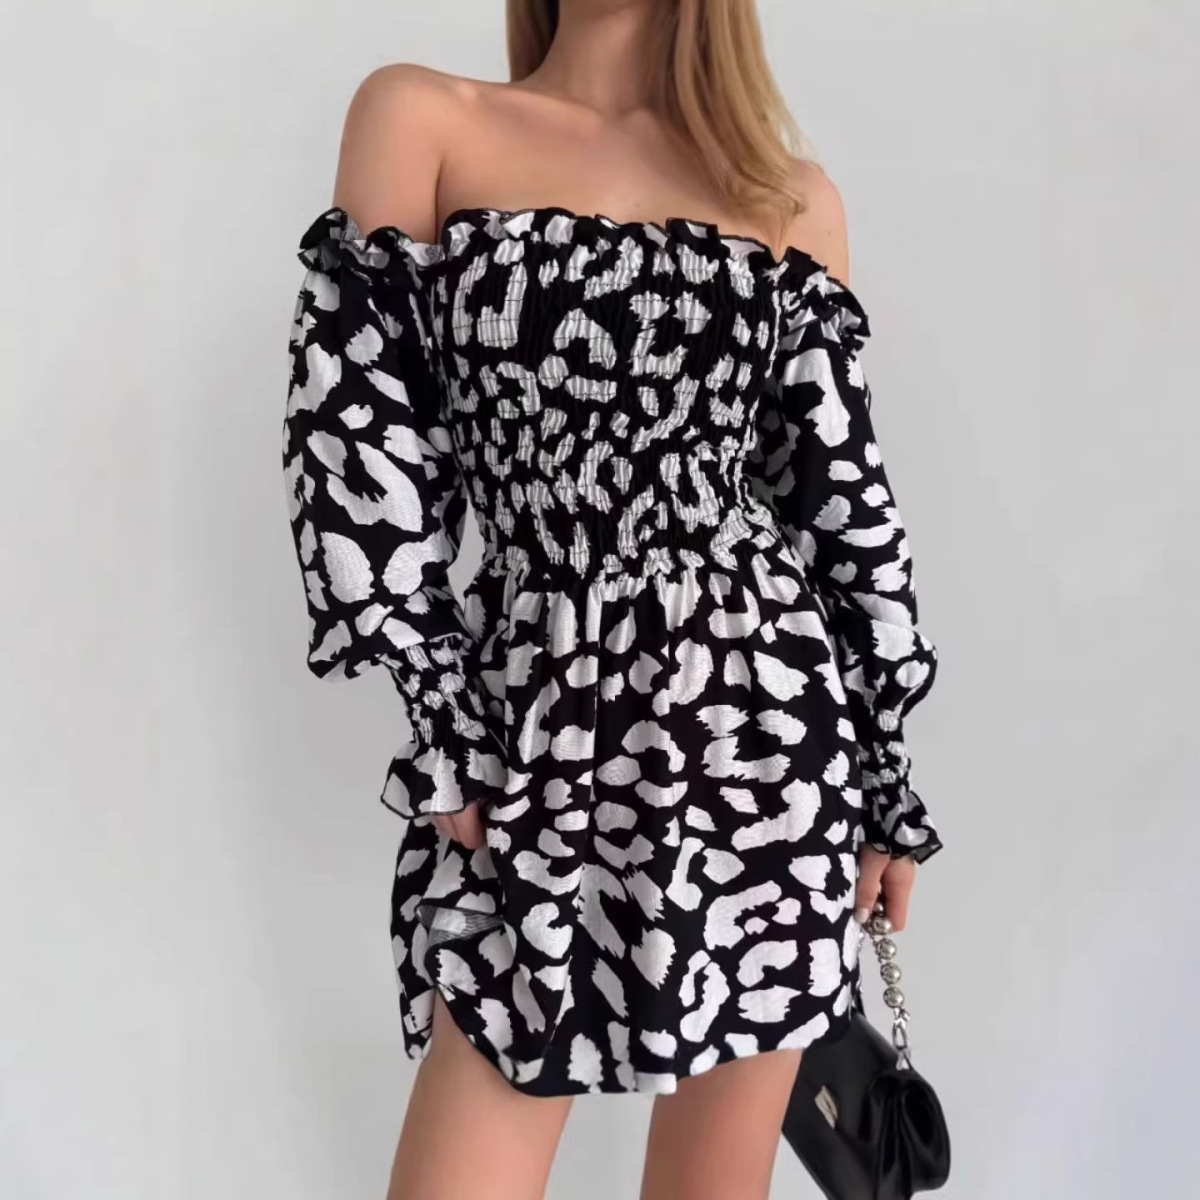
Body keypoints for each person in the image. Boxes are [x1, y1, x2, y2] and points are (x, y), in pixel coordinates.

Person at [281, 2, 942, 1197]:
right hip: (535, 730)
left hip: (764, 747)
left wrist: (886, 783)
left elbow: (842, 508)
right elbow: (358, 450)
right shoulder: (424, 120)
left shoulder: (788, 198)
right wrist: (446, 727)